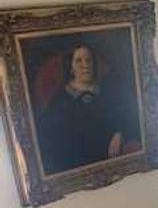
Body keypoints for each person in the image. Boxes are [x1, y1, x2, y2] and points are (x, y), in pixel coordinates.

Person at [38, 44, 133, 175]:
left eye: (89, 60)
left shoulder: (107, 93)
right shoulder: (59, 102)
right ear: (71, 67)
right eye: (79, 61)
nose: (85, 65)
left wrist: (119, 133)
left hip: (111, 164)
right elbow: (52, 144)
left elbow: (125, 118)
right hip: (76, 168)